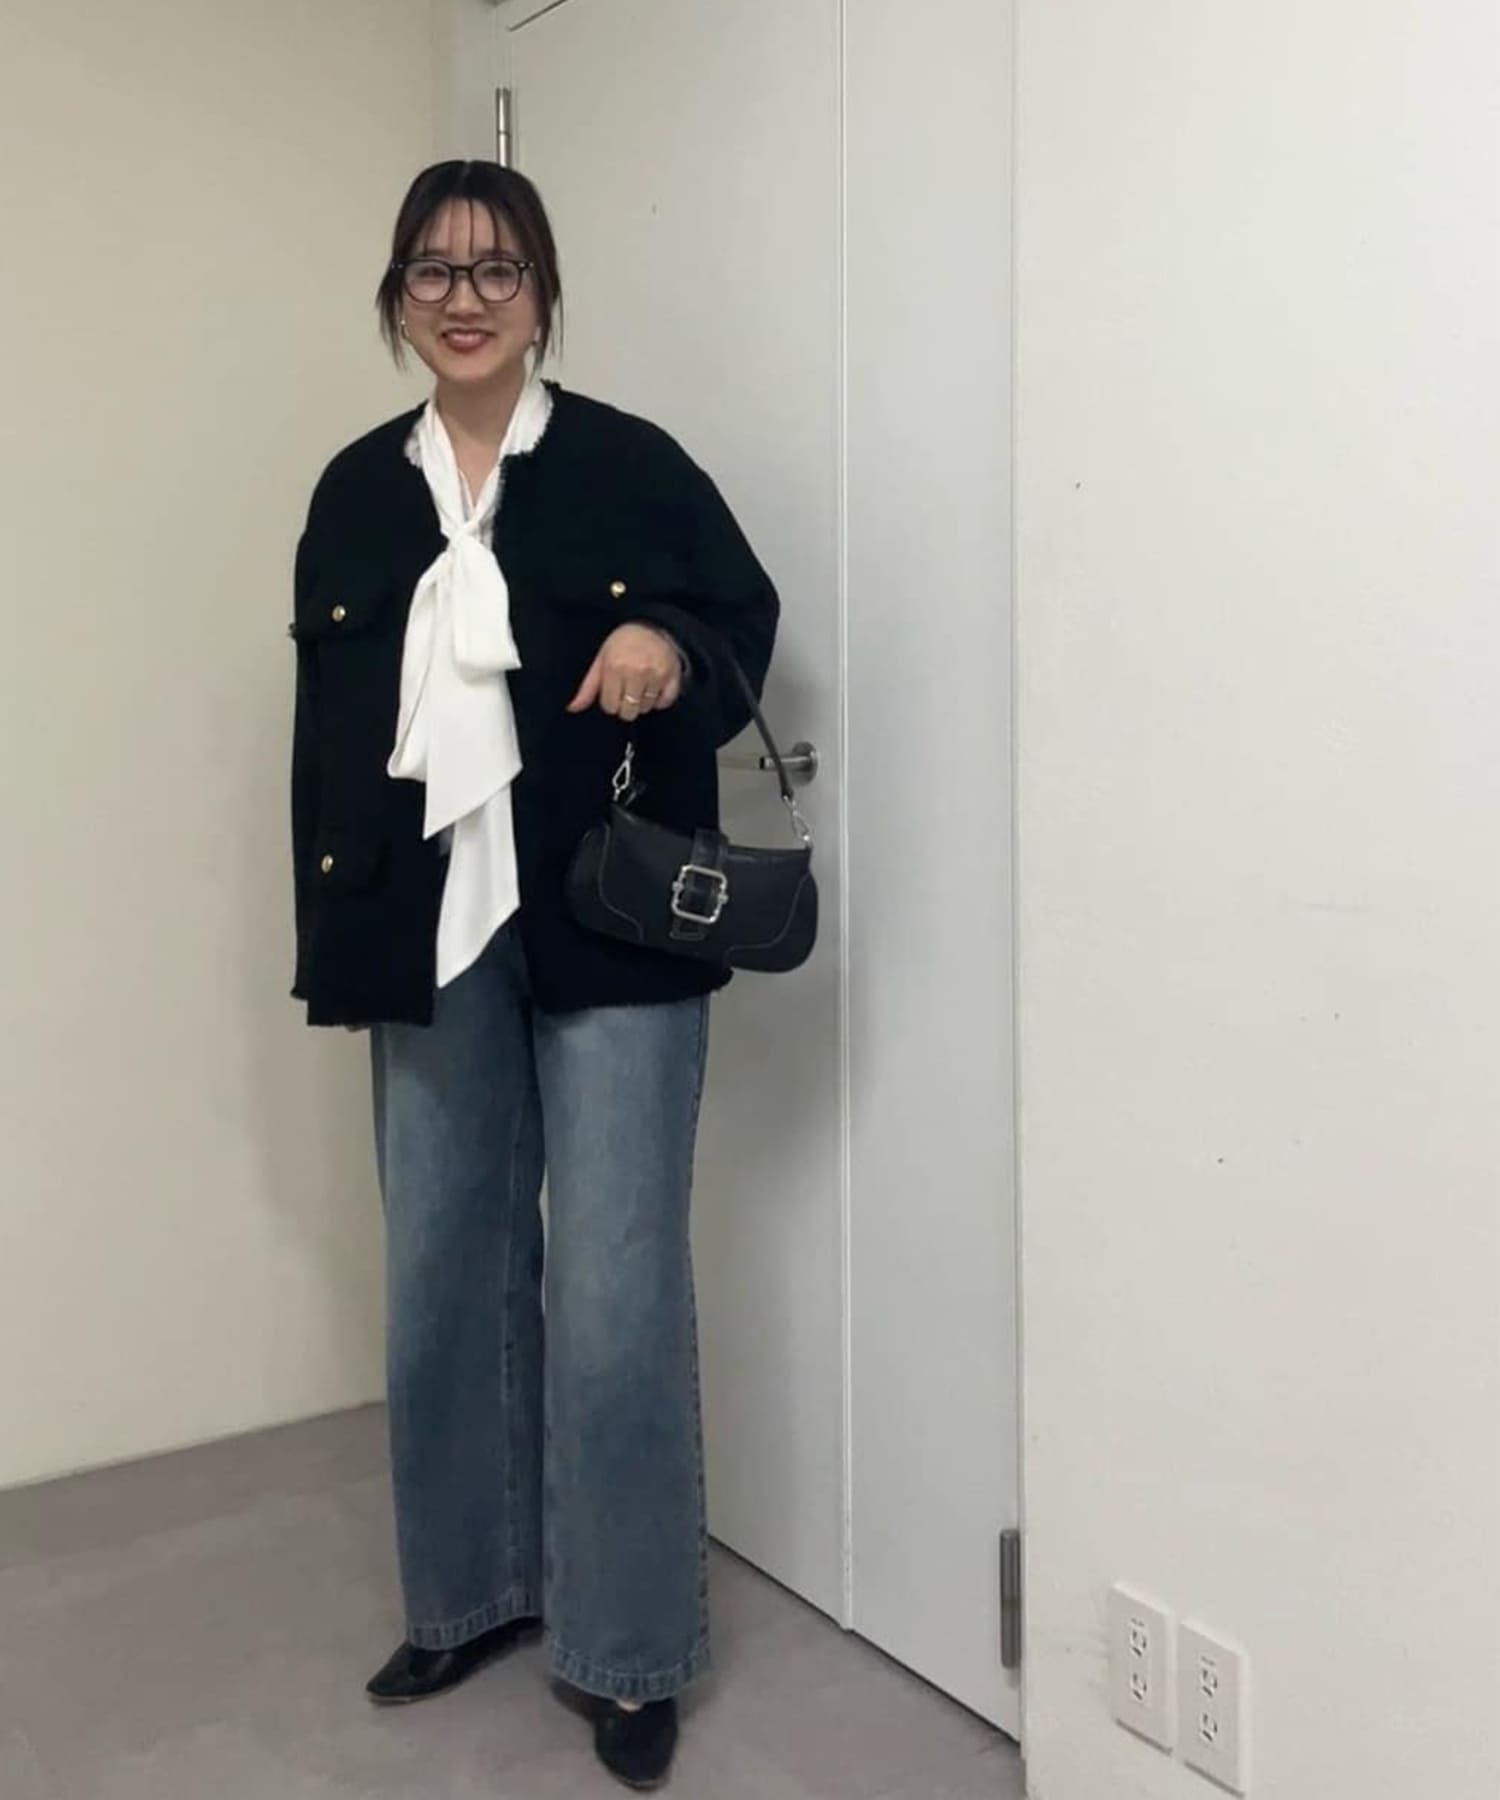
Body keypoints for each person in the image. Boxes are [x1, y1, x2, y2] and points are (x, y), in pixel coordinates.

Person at [289, 159, 779, 1790]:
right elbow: (326, 750)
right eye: (433, 271)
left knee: (620, 1294)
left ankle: (629, 1649)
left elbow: (741, 623)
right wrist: (335, 936)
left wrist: (672, 648)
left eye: (497, 268)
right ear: (397, 298)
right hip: (424, 929)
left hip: (613, 925)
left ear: (543, 292)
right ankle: (471, 1596)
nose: (466, 297)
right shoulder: (356, 492)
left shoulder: (633, 466)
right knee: (444, 1274)